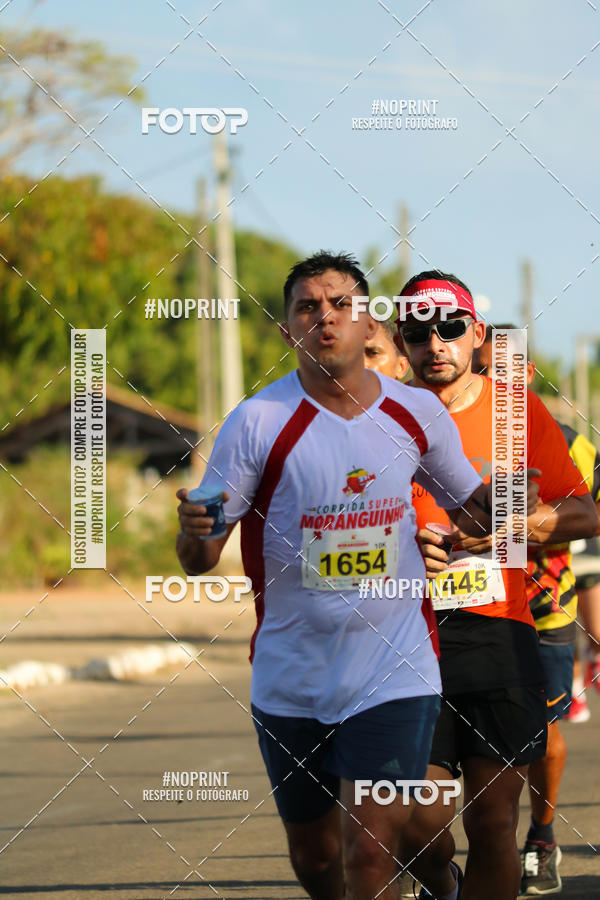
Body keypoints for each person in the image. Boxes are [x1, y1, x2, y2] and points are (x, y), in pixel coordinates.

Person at [175, 251, 509, 900]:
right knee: (317, 858)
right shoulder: (258, 422)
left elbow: (475, 506)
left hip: (395, 668)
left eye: (342, 306)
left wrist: (519, 499)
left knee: (370, 854)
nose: (325, 318)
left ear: (367, 325)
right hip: (292, 675)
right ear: (287, 330)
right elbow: (201, 555)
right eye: (308, 307)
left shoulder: (416, 413)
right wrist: (192, 535)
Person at [394, 272, 598, 900]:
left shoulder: (516, 410)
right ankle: (443, 882)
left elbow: (585, 513)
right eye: (420, 332)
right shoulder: (377, 417)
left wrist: (519, 525)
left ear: (476, 335)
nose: (437, 343)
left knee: (491, 822)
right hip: (403, 642)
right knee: (414, 824)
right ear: (402, 341)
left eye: (451, 328)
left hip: (501, 636)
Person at [475, 329, 600, 893]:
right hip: (468, 610)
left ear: (525, 376)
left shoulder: (567, 440)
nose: (492, 383)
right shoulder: (446, 428)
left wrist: (521, 525)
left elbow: (589, 520)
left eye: (504, 373)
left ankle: (543, 836)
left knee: (542, 737)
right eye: (483, 371)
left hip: (545, 611)